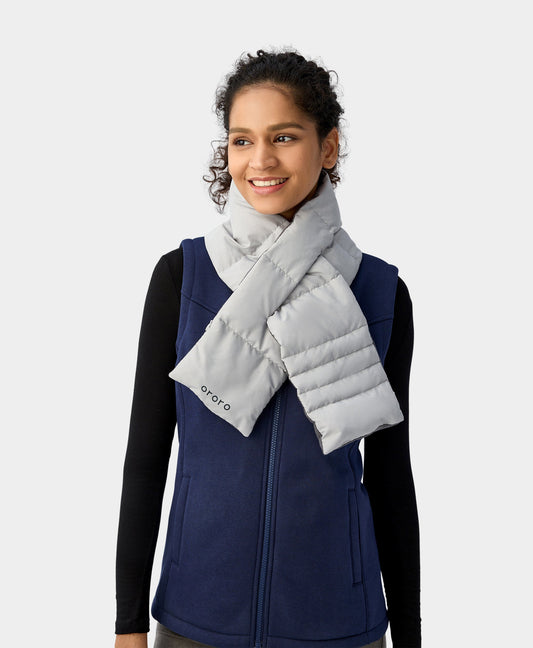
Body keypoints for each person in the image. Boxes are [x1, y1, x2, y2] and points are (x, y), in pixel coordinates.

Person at [114, 48, 421, 648]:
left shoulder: (380, 291)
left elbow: (391, 477)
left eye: (284, 137)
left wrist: (409, 634)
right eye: (242, 140)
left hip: (339, 625)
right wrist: (128, 623)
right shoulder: (184, 277)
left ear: (327, 148)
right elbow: (146, 458)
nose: (261, 160)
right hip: (196, 618)